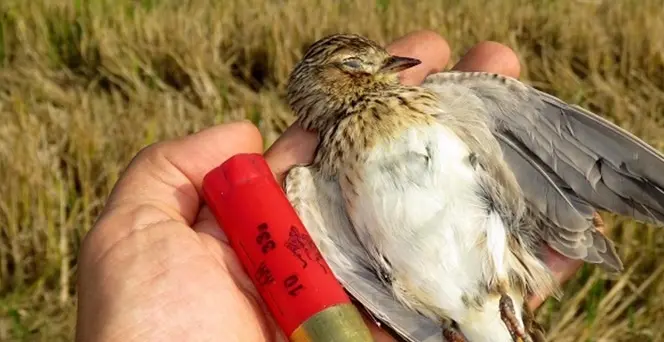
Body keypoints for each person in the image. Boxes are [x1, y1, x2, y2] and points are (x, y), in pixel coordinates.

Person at [76, 30, 597, 342]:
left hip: (495, 289)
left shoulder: (437, 103)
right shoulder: (311, 183)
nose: (384, 71)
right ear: (330, 83)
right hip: (438, 315)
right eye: (356, 67)